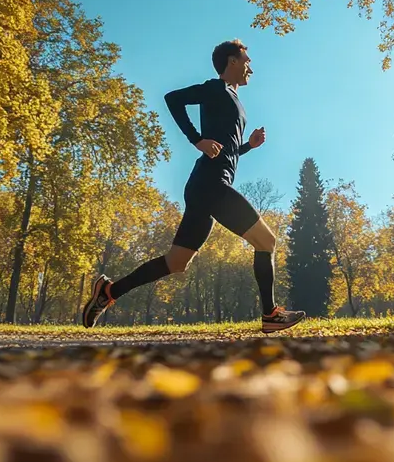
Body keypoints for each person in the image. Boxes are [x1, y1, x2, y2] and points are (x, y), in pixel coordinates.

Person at [82, 39, 307, 334]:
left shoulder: (234, 99)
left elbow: (222, 151)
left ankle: (109, 291)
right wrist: (195, 139)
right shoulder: (215, 89)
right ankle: (271, 314)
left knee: (176, 262)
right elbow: (172, 98)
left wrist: (247, 147)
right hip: (211, 185)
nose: (251, 66)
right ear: (232, 61)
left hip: (205, 186)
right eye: (247, 60)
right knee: (267, 242)